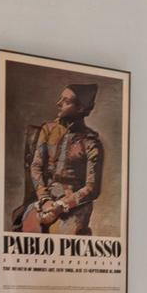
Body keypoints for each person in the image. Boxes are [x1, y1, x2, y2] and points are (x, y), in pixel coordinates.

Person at [11, 81, 105, 235]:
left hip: (75, 206)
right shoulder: (48, 130)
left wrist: (61, 205)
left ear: (80, 108)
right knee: (29, 232)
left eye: (66, 101)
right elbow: (36, 166)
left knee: (65, 239)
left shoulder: (91, 142)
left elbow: (92, 189)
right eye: (61, 99)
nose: (58, 103)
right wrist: (44, 199)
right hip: (45, 200)